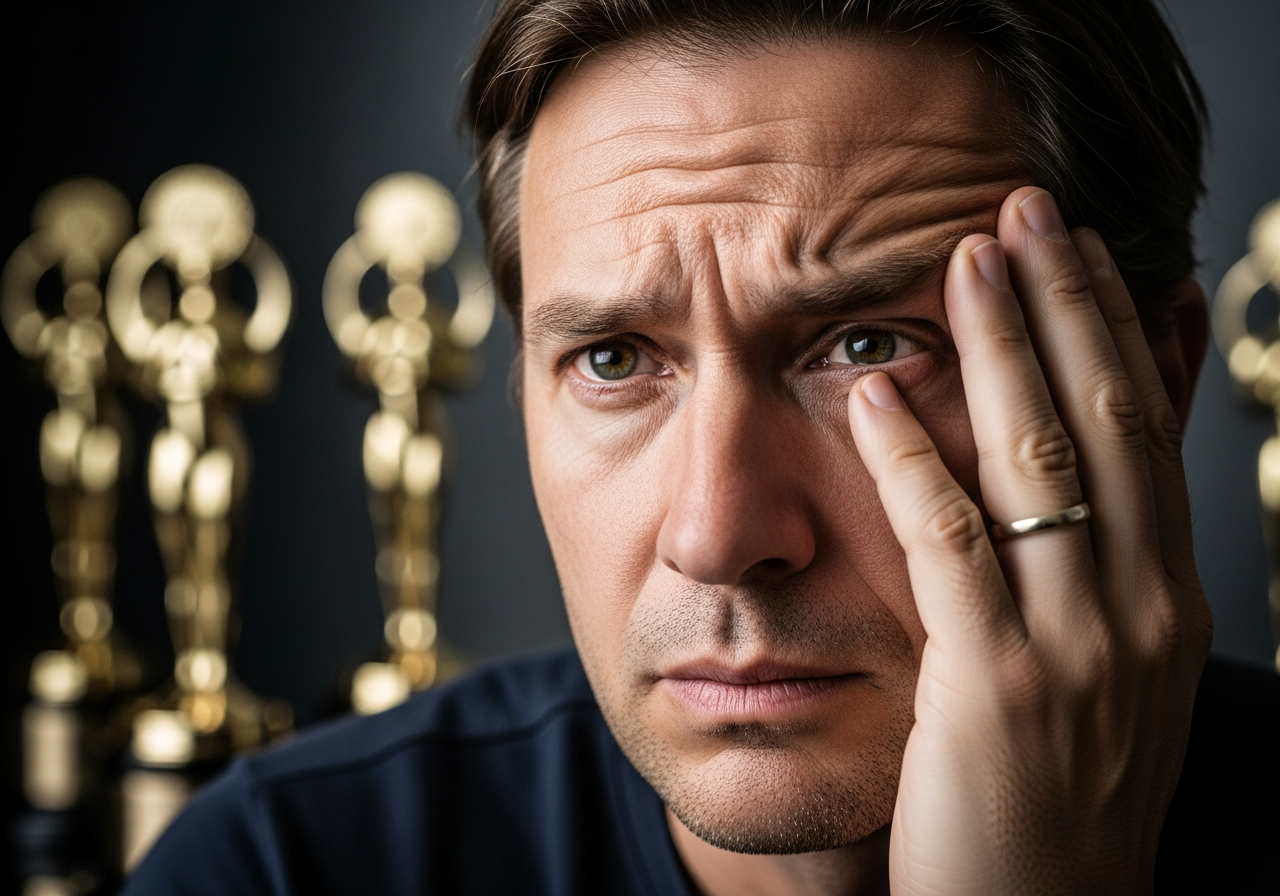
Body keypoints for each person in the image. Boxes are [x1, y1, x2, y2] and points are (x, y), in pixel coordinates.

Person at [124, 1, 1280, 893]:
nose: (716, 534)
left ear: (1150, 384)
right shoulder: (280, 866)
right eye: (616, 360)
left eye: (869, 343)